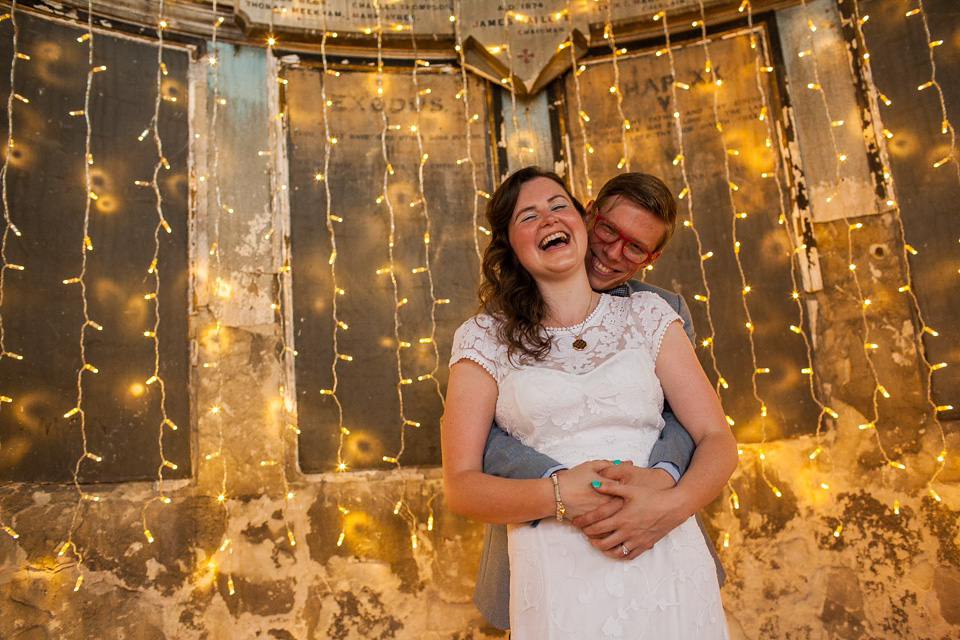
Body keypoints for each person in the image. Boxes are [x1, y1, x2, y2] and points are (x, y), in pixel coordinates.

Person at [442, 167, 737, 636]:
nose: (548, 220)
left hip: (662, 544)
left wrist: (670, 503)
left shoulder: (649, 313)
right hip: (554, 561)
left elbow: (714, 435)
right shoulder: (483, 339)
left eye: (558, 206)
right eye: (528, 216)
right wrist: (559, 495)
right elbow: (463, 481)